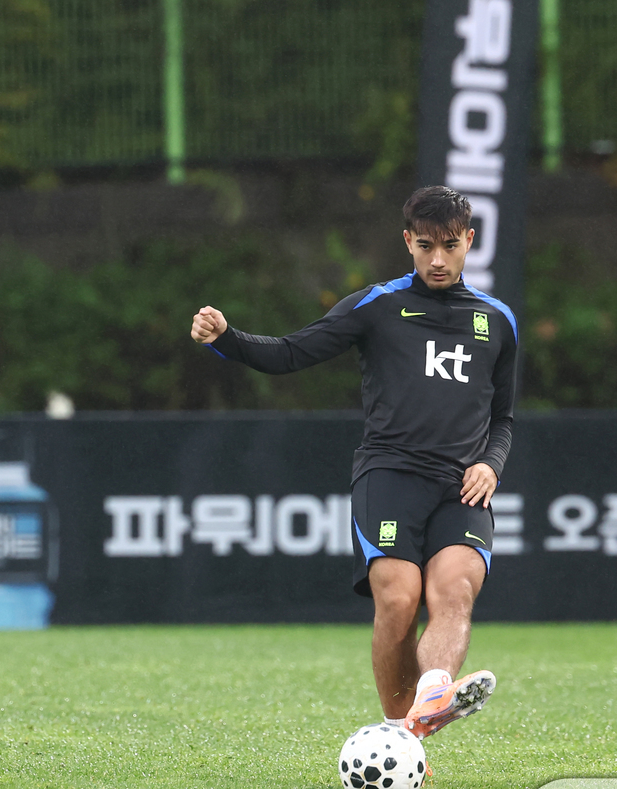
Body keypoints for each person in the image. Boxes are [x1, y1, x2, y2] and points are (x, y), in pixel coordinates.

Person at [190, 185, 515, 740]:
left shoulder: (497, 320)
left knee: (455, 590)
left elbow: (504, 418)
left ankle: (429, 701)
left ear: (470, 242)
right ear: (408, 242)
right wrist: (227, 338)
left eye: (451, 246)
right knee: (398, 599)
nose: (438, 259)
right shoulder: (379, 306)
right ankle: (401, 727)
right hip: (390, 476)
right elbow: (293, 352)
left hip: (462, 487)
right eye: (426, 246)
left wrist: (492, 463)